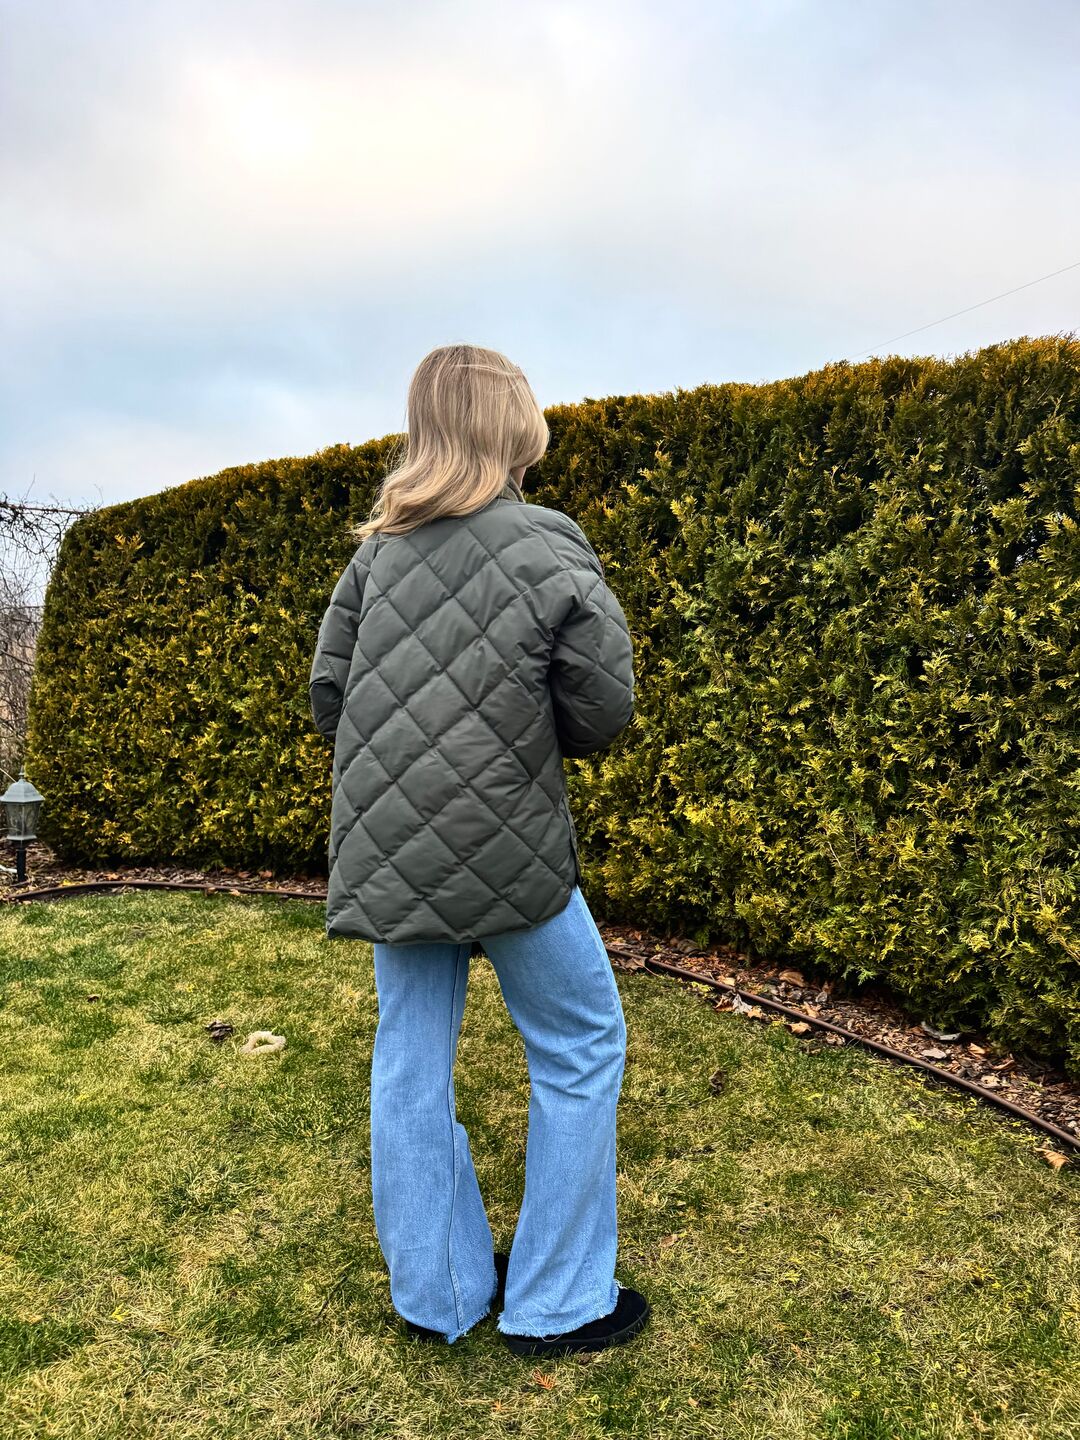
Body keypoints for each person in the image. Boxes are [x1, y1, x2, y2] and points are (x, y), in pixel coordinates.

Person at [308, 343, 649, 1357]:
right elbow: (603, 707)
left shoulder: (376, 554)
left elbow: (330, 697)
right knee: (581, 1041)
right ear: (513, 426)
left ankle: (440, 1293)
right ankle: (558, 1301)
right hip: (512, 850)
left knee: (409, 1057)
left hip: (391, 847)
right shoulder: (547, 540)